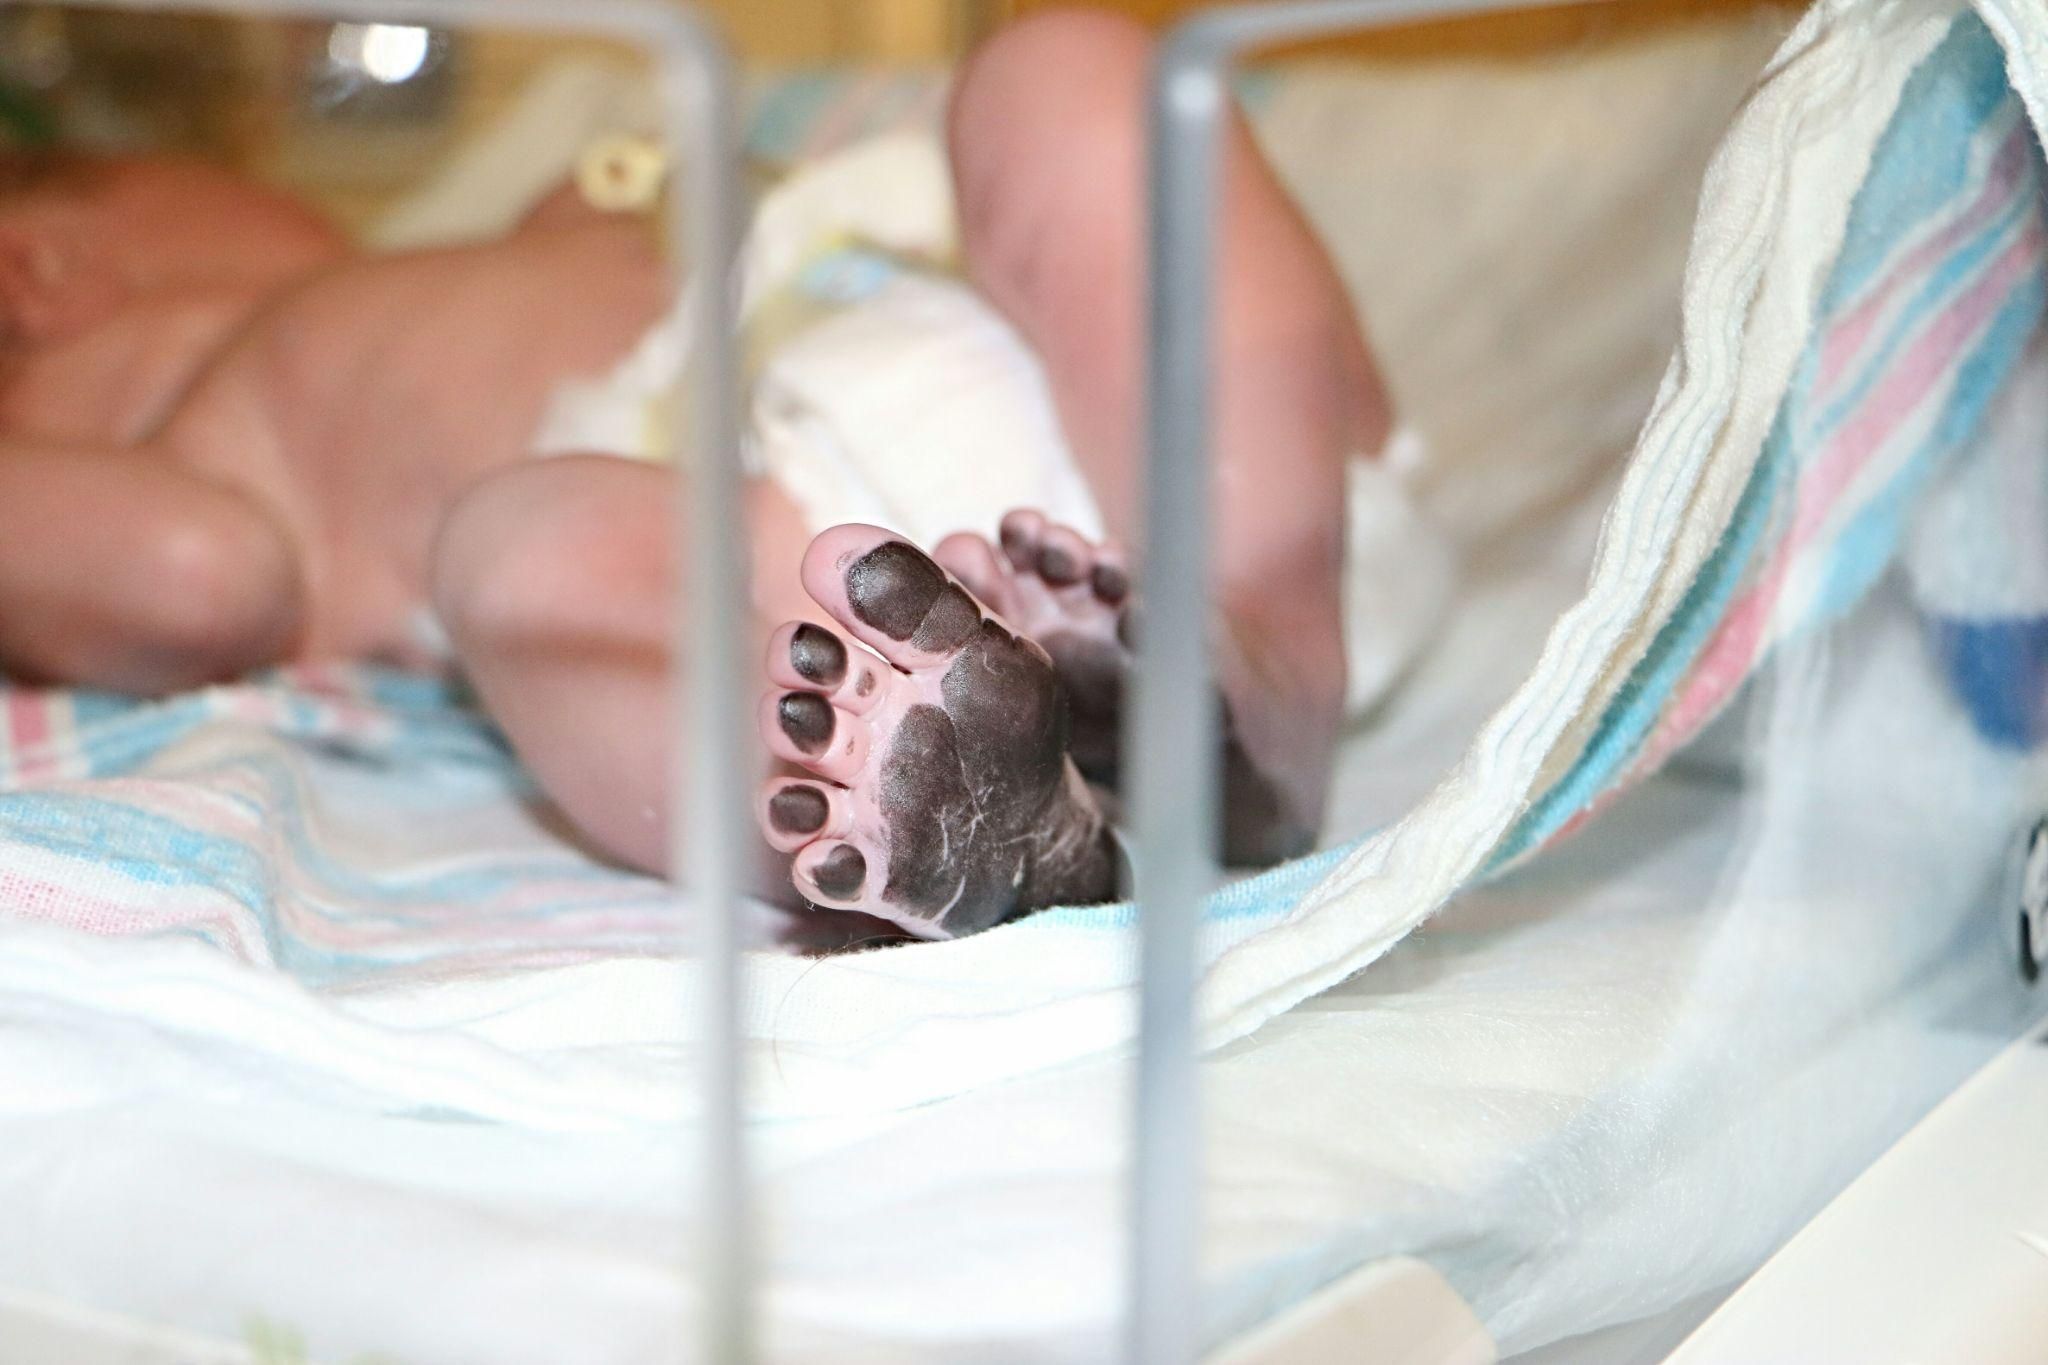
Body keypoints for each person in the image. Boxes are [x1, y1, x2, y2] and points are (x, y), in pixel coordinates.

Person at [0, 9, 1391, 940]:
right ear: (40, 264)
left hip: (1060, 372)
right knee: (519, 555)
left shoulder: (517, 238)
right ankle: (932, 801)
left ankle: (1252, 636)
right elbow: (195, 575)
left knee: (1058, 58)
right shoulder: (149, 394)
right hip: (821, 581)